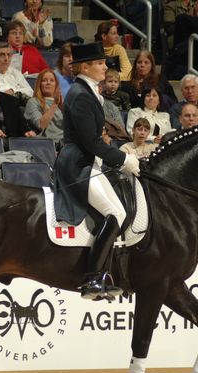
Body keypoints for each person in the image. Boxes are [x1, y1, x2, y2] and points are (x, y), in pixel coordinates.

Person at [53, 42, 140, 300]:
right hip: (77, 163)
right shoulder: (80, 95)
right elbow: (90, 142)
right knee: (116, 212)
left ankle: (106, 272)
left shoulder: (89, 93)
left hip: (89, 161)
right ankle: (92, 278)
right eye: (100, 63)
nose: (105, 67)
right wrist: (123, 158)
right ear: (85, 67)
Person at [24, 68, 64, 146]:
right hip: (47, 144)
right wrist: (55, 104)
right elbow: (41, 125)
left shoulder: (62, 104)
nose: (48, 83)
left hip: (65, 143)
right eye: (44, 80)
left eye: (52, 80)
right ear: (39, 84)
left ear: (56, 85)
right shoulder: (33, 102)